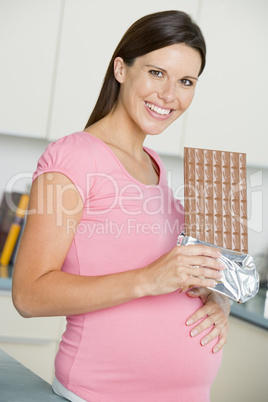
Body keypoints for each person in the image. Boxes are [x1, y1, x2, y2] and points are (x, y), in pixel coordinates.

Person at [12, 10, 230, 402]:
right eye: (156, 72)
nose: (170, 95)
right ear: (121, 69)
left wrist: (219, 300)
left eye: (186, 81)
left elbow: (178, 278)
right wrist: (147, 278)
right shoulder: (74, 157)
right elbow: (28, 295)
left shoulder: (157, 167)